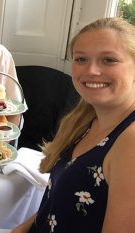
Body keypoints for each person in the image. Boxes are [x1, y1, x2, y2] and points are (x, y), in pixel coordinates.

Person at [12, 17, 135, 233]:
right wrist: (21, 229)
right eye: (81, 59)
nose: (92, 71)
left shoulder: (130, 141)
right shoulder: (85, 120)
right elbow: (59, 200)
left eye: (109, 60)